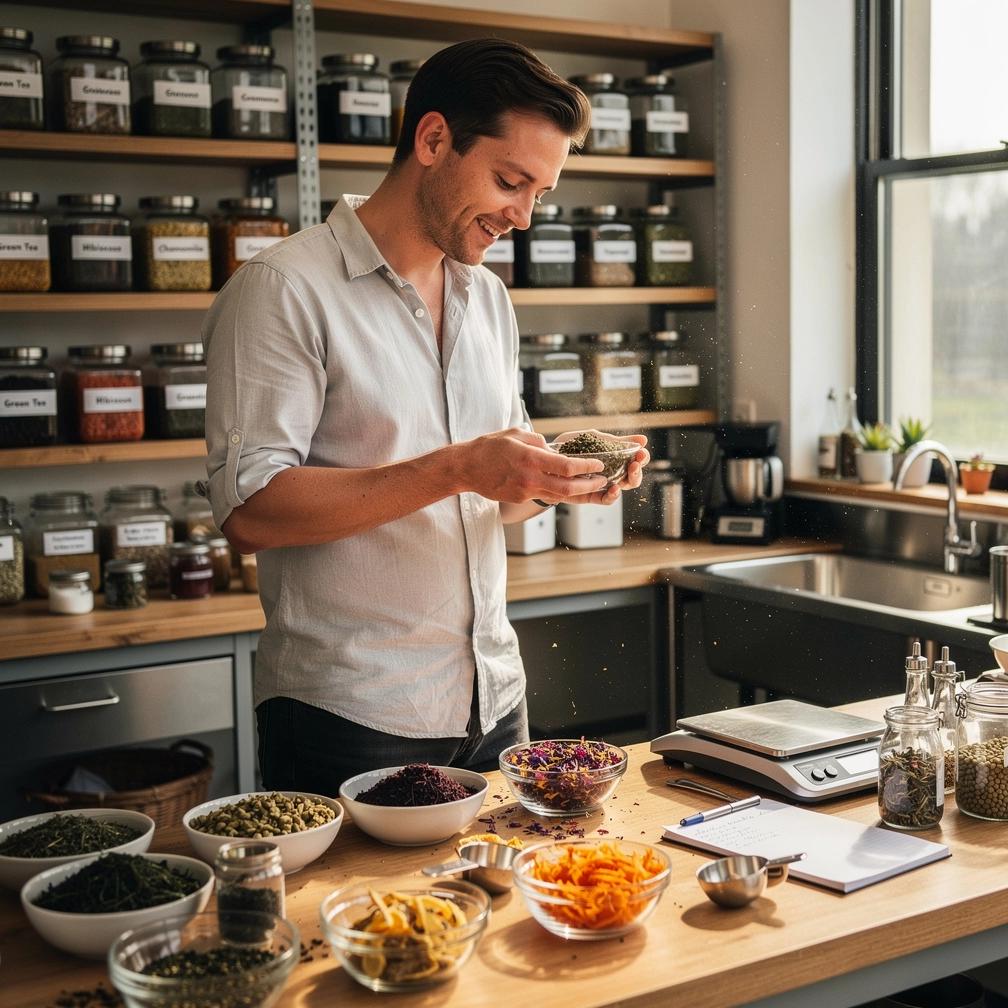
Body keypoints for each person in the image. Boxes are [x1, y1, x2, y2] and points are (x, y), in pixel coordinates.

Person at [202, 37, 649, 795]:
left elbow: (496, 502)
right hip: (350, 715)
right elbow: (251, 512)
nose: (524, 217)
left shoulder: (488, 299)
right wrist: (457, 467)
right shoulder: (284, 289)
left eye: (540, 194)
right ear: (434, 139)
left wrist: (553, 482)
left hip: (495, 700)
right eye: (511, 182)